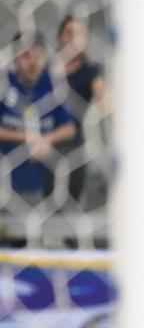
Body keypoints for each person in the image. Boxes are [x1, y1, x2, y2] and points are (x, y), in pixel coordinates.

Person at [0, 31, 78, 202]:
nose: (33, 62)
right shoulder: (5, 85)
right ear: (15, 57)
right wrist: (27, 137)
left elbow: (70, 128)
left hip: (39, 184)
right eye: (26, 56)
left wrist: (45, 140)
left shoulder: (51, 86)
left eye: (38, 55)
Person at [56, 15, 106, 202]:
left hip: (74, 146)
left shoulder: (90, 70)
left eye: (79, 34)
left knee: (70, 201)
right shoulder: (47, 68)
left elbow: (102, 96)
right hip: (42, 141)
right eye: (68, 33)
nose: (72, 39)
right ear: (59, 37)